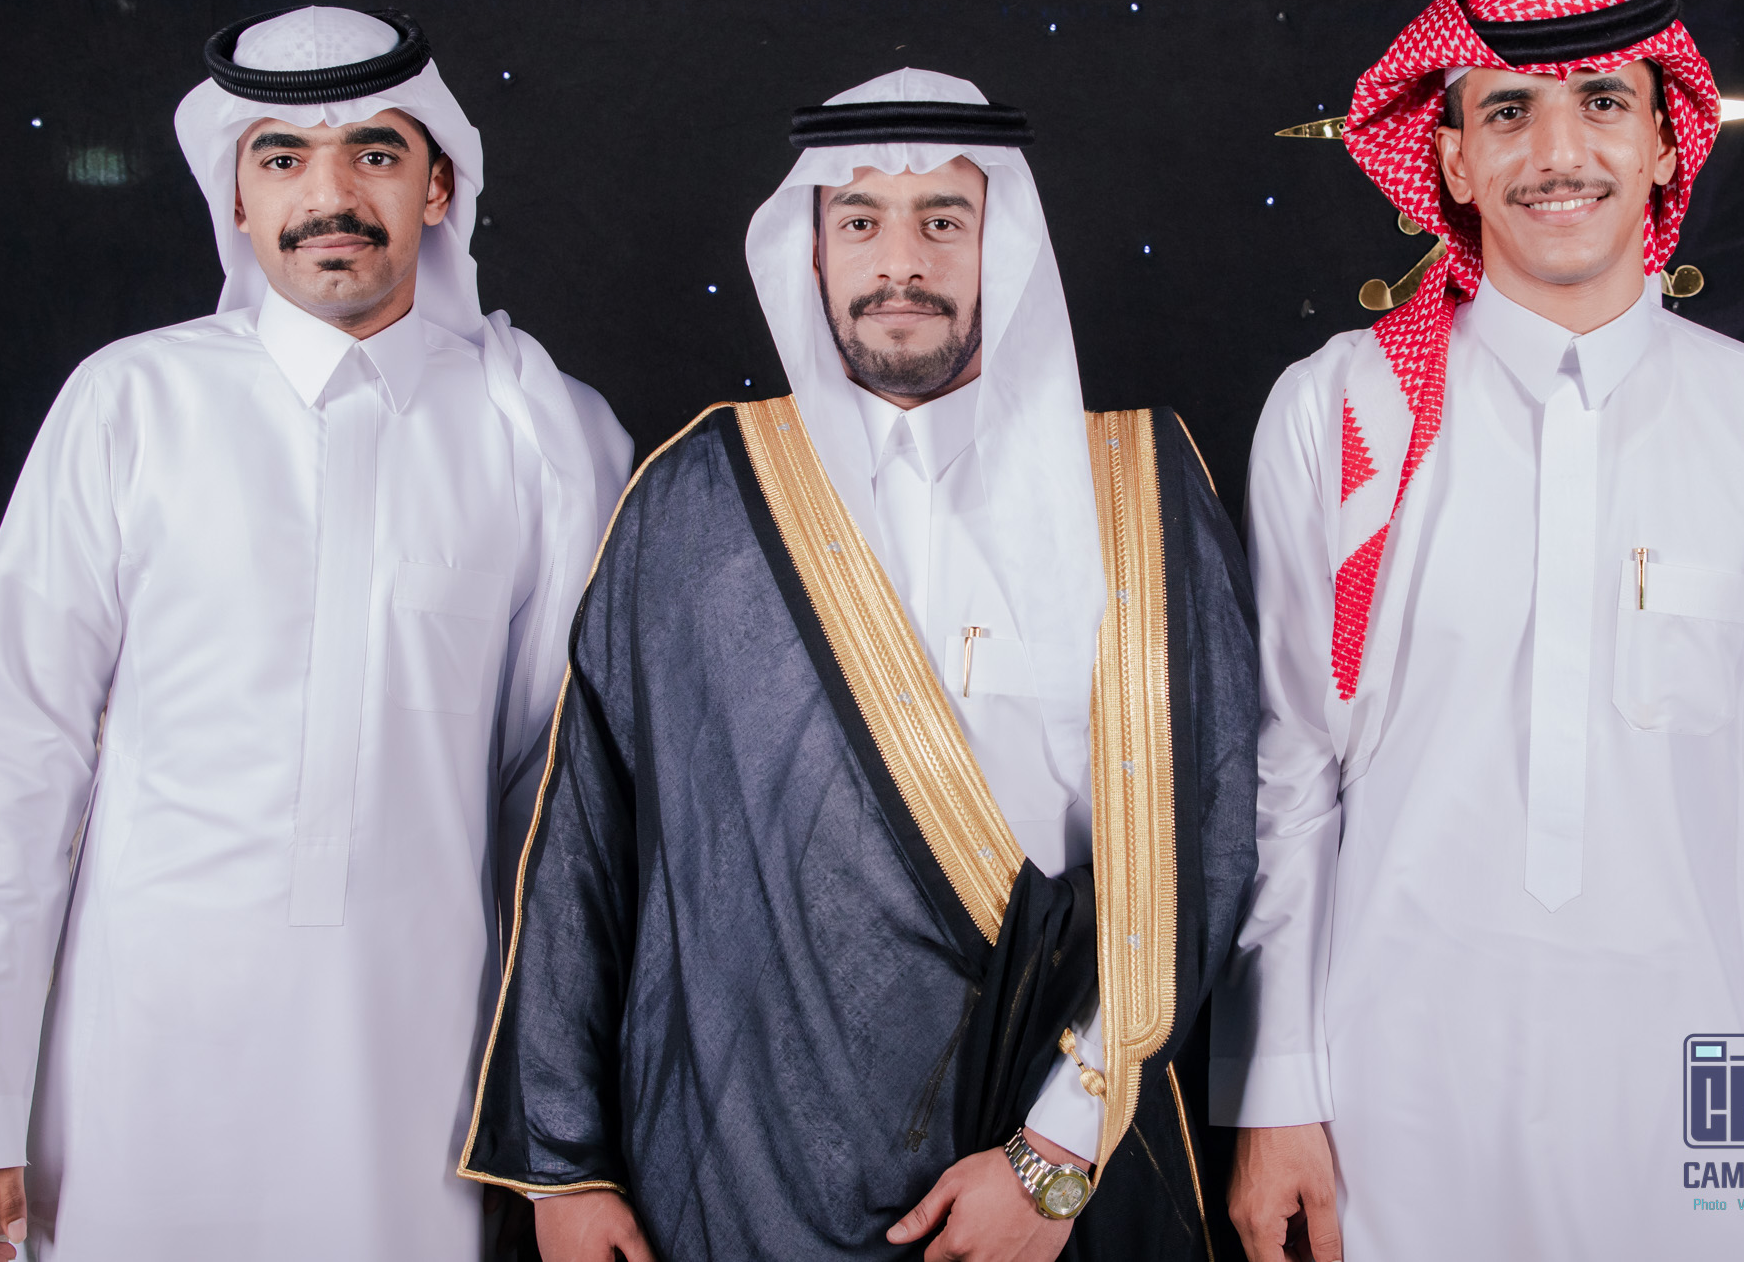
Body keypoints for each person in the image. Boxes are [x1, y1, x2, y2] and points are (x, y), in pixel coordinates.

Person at [459, 69, 1256, 1261]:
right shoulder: (697, 496)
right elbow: (583, 847)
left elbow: (1209, 835)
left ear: (1002, 248)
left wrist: (1054, 1156)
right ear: (812, 251)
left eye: (942, 220)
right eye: (860, 220)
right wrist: (565, 1171)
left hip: (1046, 1167)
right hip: (734, 1159)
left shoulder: (1136, 490)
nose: (900, 263)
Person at [1221, 0, 1744, 1261]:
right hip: (1391, 1093)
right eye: (1507, 112)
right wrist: (1278, 1095)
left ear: (1664, 141)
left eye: (1602, 103)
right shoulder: (1341, 409)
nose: (1557, 153)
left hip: (1710, 1097)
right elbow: (1285, 775)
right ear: (1452, 158)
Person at [0, 6, 631, 1261]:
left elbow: (554, 812)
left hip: (413, 1071)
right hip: (135, 1061)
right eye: (283, 158)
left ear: (438, 186)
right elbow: (12, 756)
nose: (328, 196)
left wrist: (559, 1143)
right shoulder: (132, 402)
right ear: (236, 198)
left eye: (374, 152)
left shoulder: (545, 437)